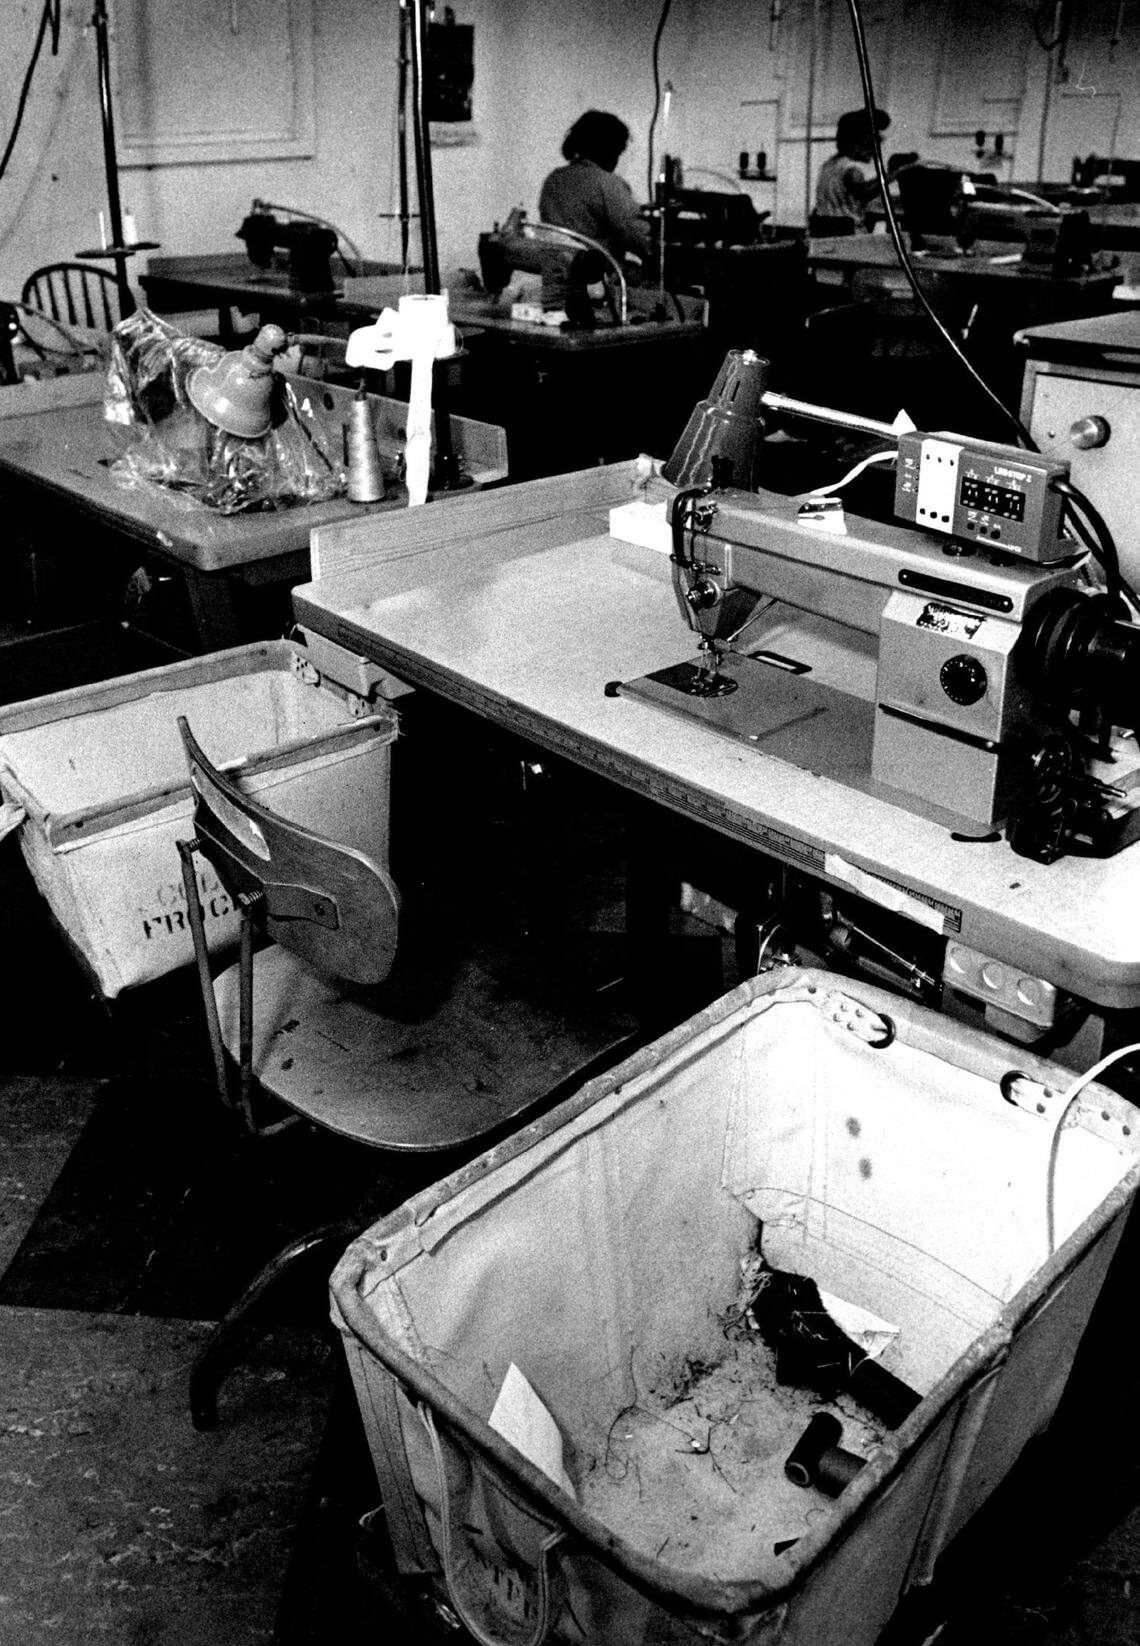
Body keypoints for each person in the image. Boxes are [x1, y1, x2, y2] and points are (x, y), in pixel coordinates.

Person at [539, 110, 652, 266]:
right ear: (609, 149)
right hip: (597, 272)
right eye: (618, 151)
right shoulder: (607, 183)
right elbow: (636, 235)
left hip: (558, 269)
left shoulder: (554, 179)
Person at [813, 108, 892, 232]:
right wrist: (895, 172)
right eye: (871, 144)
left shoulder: (830, 164)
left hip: (823, 231)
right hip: (846, 233)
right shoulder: (851, 168)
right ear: (858, 142)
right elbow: (863, 194)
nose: (873, 151)